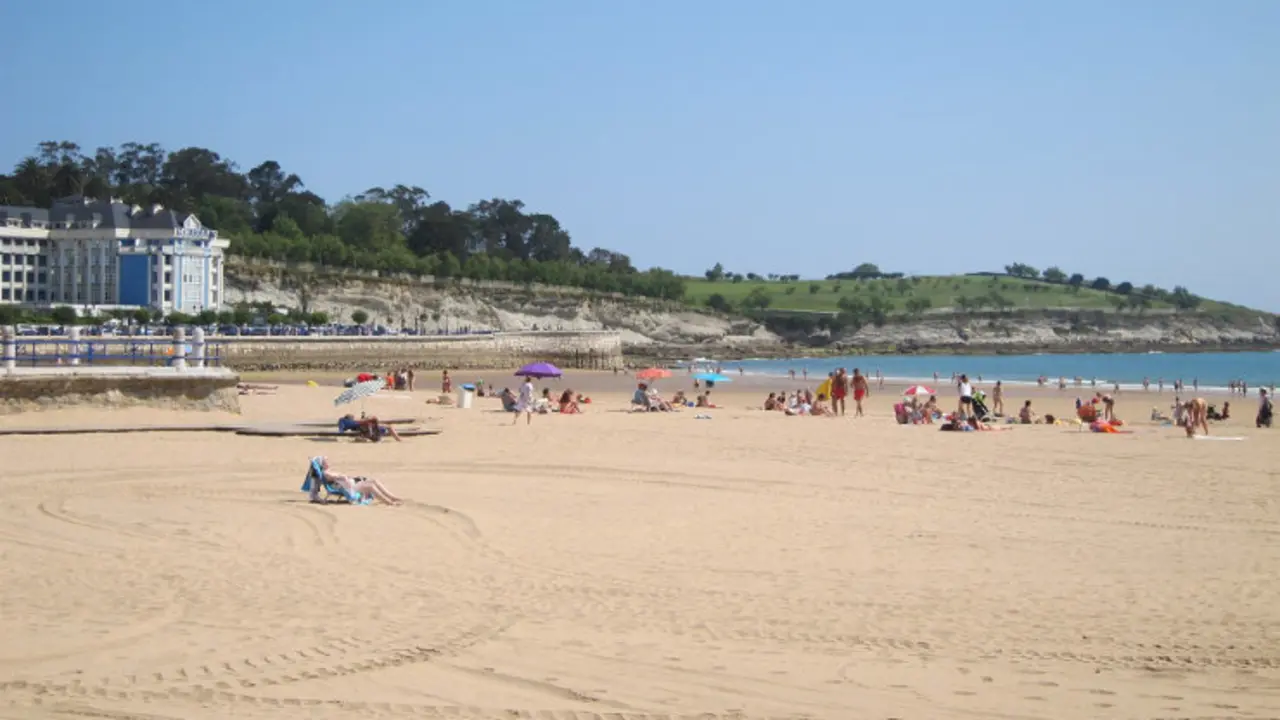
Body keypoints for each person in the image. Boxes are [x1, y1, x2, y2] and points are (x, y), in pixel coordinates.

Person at [310, 457, 403, 505]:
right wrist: (342, 476)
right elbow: (339, 477)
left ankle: (392, 497)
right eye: (326, 461)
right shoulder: (326, 473)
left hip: (351, 485)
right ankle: (389, 502)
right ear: (322, 464)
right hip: (350, 490)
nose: (328, 462)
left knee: (374, 480)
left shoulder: (328, 472)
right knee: (370, 486)